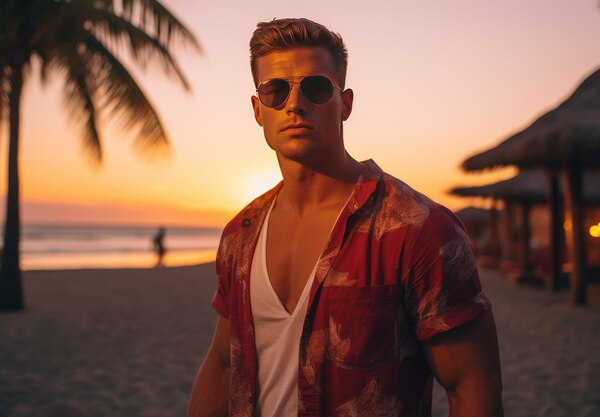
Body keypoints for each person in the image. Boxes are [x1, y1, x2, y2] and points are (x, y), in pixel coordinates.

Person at [188, 18, 503, 417]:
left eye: (316, 87)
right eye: (275, 90)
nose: (294, 103)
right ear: (257, 109)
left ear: (346, 104)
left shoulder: (419, 229)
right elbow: (223, 362)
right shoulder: (241, 233)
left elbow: (470, 386)